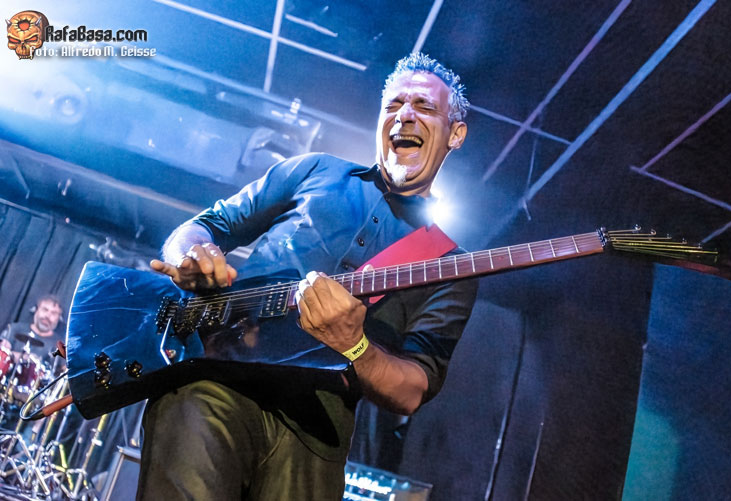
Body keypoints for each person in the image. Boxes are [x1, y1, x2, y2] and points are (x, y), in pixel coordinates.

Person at [138, 52, 478, 500]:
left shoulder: (449, 264)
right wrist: (189, 254)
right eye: (393, 105)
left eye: (424, 107)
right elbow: (206, 226)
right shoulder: (315, 170)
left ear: (455, 134)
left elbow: (413, 388)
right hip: (217, 379)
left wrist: (354, 345)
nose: (404, 116)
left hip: (317, 435)